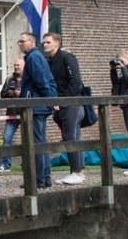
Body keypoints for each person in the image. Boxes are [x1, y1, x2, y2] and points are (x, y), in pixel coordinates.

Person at [42, 32, 85, 185]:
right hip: (60, 105)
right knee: (73, 137)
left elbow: (76, 81)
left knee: (70, 137)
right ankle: (78, 170)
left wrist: (63, 100)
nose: (45, 44)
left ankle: (77, 171)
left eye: (48, 42)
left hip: (70, 104)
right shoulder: (49, 61)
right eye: (44, 42)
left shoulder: (67, 58)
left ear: (56, 43)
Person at [17, 32, 58, 189]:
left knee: (37, 142)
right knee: (40, 141)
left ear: (32, 42)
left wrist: (50, 100)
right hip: (38, 104)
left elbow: (42, 81)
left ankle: (39, 179)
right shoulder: (35, 57)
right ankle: (44, 178)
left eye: (23, 41)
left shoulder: (34, 58)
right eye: (19, 41)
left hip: (36, 106)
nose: (20, 44)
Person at [0, 57, 23, 172]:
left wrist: (21, 94)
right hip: (12, 114)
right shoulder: (9, 79)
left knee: (29, 138)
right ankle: (6, 165)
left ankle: (27, 163)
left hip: (25, 113)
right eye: (15, 65)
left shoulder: (28, 79)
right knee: (6, 138)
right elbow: (2, 94)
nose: (16, 67)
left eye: (18, 65)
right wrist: (10, 93)